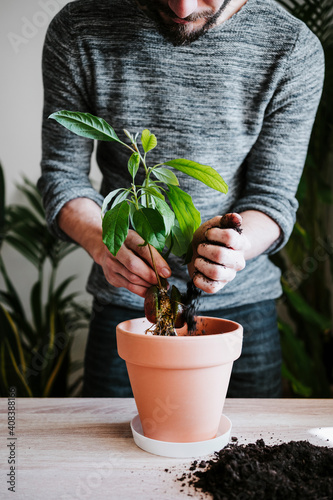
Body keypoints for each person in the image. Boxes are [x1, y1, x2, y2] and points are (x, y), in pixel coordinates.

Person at [38, 0, 325, 398]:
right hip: (125, 302)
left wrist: (231, 246)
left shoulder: (292, 47)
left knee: (253, 454)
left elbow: (272, 197)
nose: (182, 6)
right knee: (113, 453)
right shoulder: (79, 29)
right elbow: (62, 177)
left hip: (242, 306)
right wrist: (103, 242)